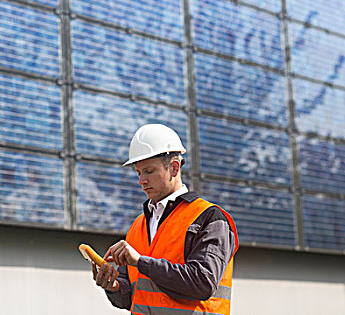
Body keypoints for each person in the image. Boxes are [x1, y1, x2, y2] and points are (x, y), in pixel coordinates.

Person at [91, 124, 239, 314]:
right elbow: (134, 297)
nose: (141, 180)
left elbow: (202, 283)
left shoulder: (208, 218)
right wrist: (114, 287)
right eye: (138, 172)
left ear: (174, 168)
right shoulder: (138, 226)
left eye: (149, 171)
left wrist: (141, 262)